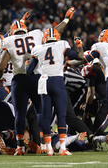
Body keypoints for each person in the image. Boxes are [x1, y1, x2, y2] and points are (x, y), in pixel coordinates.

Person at [0, 7, 76, 155]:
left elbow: (1, 67)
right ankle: (44, 144)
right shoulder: (36, 34)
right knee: (41, 112)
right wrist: (66, 19)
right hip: (36, 77)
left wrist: (0, 79)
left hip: (19, 79)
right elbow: (54, 30)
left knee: (20, 114)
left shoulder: (8, 41)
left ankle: (20, 147)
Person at [25, 28, 83, 156]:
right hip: (57, 81)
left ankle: (48, 148)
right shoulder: (61, 44)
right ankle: (62, 148)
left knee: (45, 116)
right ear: (57, 37)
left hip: (44, 81)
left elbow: (29, 71)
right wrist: (79, 45)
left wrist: (28, 62)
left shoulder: (38, 48)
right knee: (61, 115)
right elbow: (80, 56)